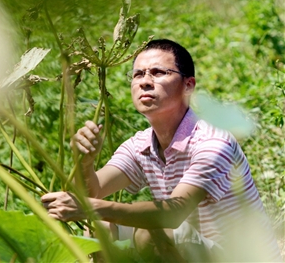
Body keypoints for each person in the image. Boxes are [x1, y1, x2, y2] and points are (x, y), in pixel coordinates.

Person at [41, 39, 283, 262]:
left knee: (154, 233)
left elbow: (174, 212)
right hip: (199, 250)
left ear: (188, 85)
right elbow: (94, 191)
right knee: (100, 225)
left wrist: (88, 207)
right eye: (138, 74)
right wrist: (85, 163)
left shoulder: (213, 142)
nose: (145, 81)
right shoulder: (141, 144)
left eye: (158, 72)